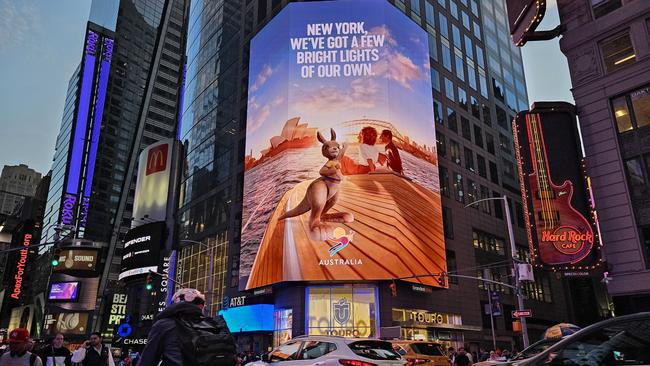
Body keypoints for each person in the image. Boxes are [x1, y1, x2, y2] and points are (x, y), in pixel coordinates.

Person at [137, 288, 236, 366]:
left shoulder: (164, 324)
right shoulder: (214, 324)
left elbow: (147, 360)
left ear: (176, 302)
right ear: (201, 307)